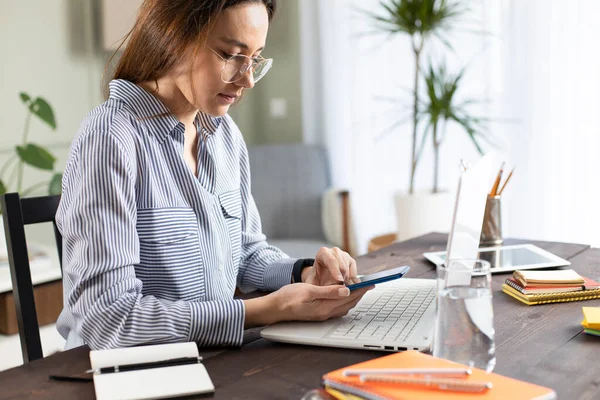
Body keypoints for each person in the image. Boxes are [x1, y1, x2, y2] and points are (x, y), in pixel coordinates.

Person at [56, 0, 371, 350]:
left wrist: (305, 273)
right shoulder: (111, 138)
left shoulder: (224, 134)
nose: (248, 79)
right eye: (230, 55)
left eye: (254, 59)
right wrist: (264, 310)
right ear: (173, 37)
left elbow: (247, 254)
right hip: (117, 371)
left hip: (211, 357)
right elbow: (109, 319)